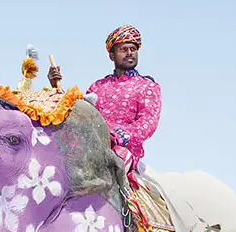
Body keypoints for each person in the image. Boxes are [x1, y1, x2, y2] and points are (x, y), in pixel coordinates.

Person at [48, 25, 161, 168]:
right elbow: (79, 114)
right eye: (123, 49)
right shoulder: (98, 86)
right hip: (92, 148)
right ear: (111, 56)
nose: (129, 53)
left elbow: (148, 122)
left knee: (117, 162)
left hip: (124, 150)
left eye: (133, 49)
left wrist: (121, 136)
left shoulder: (148, 87)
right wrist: (55, 87)